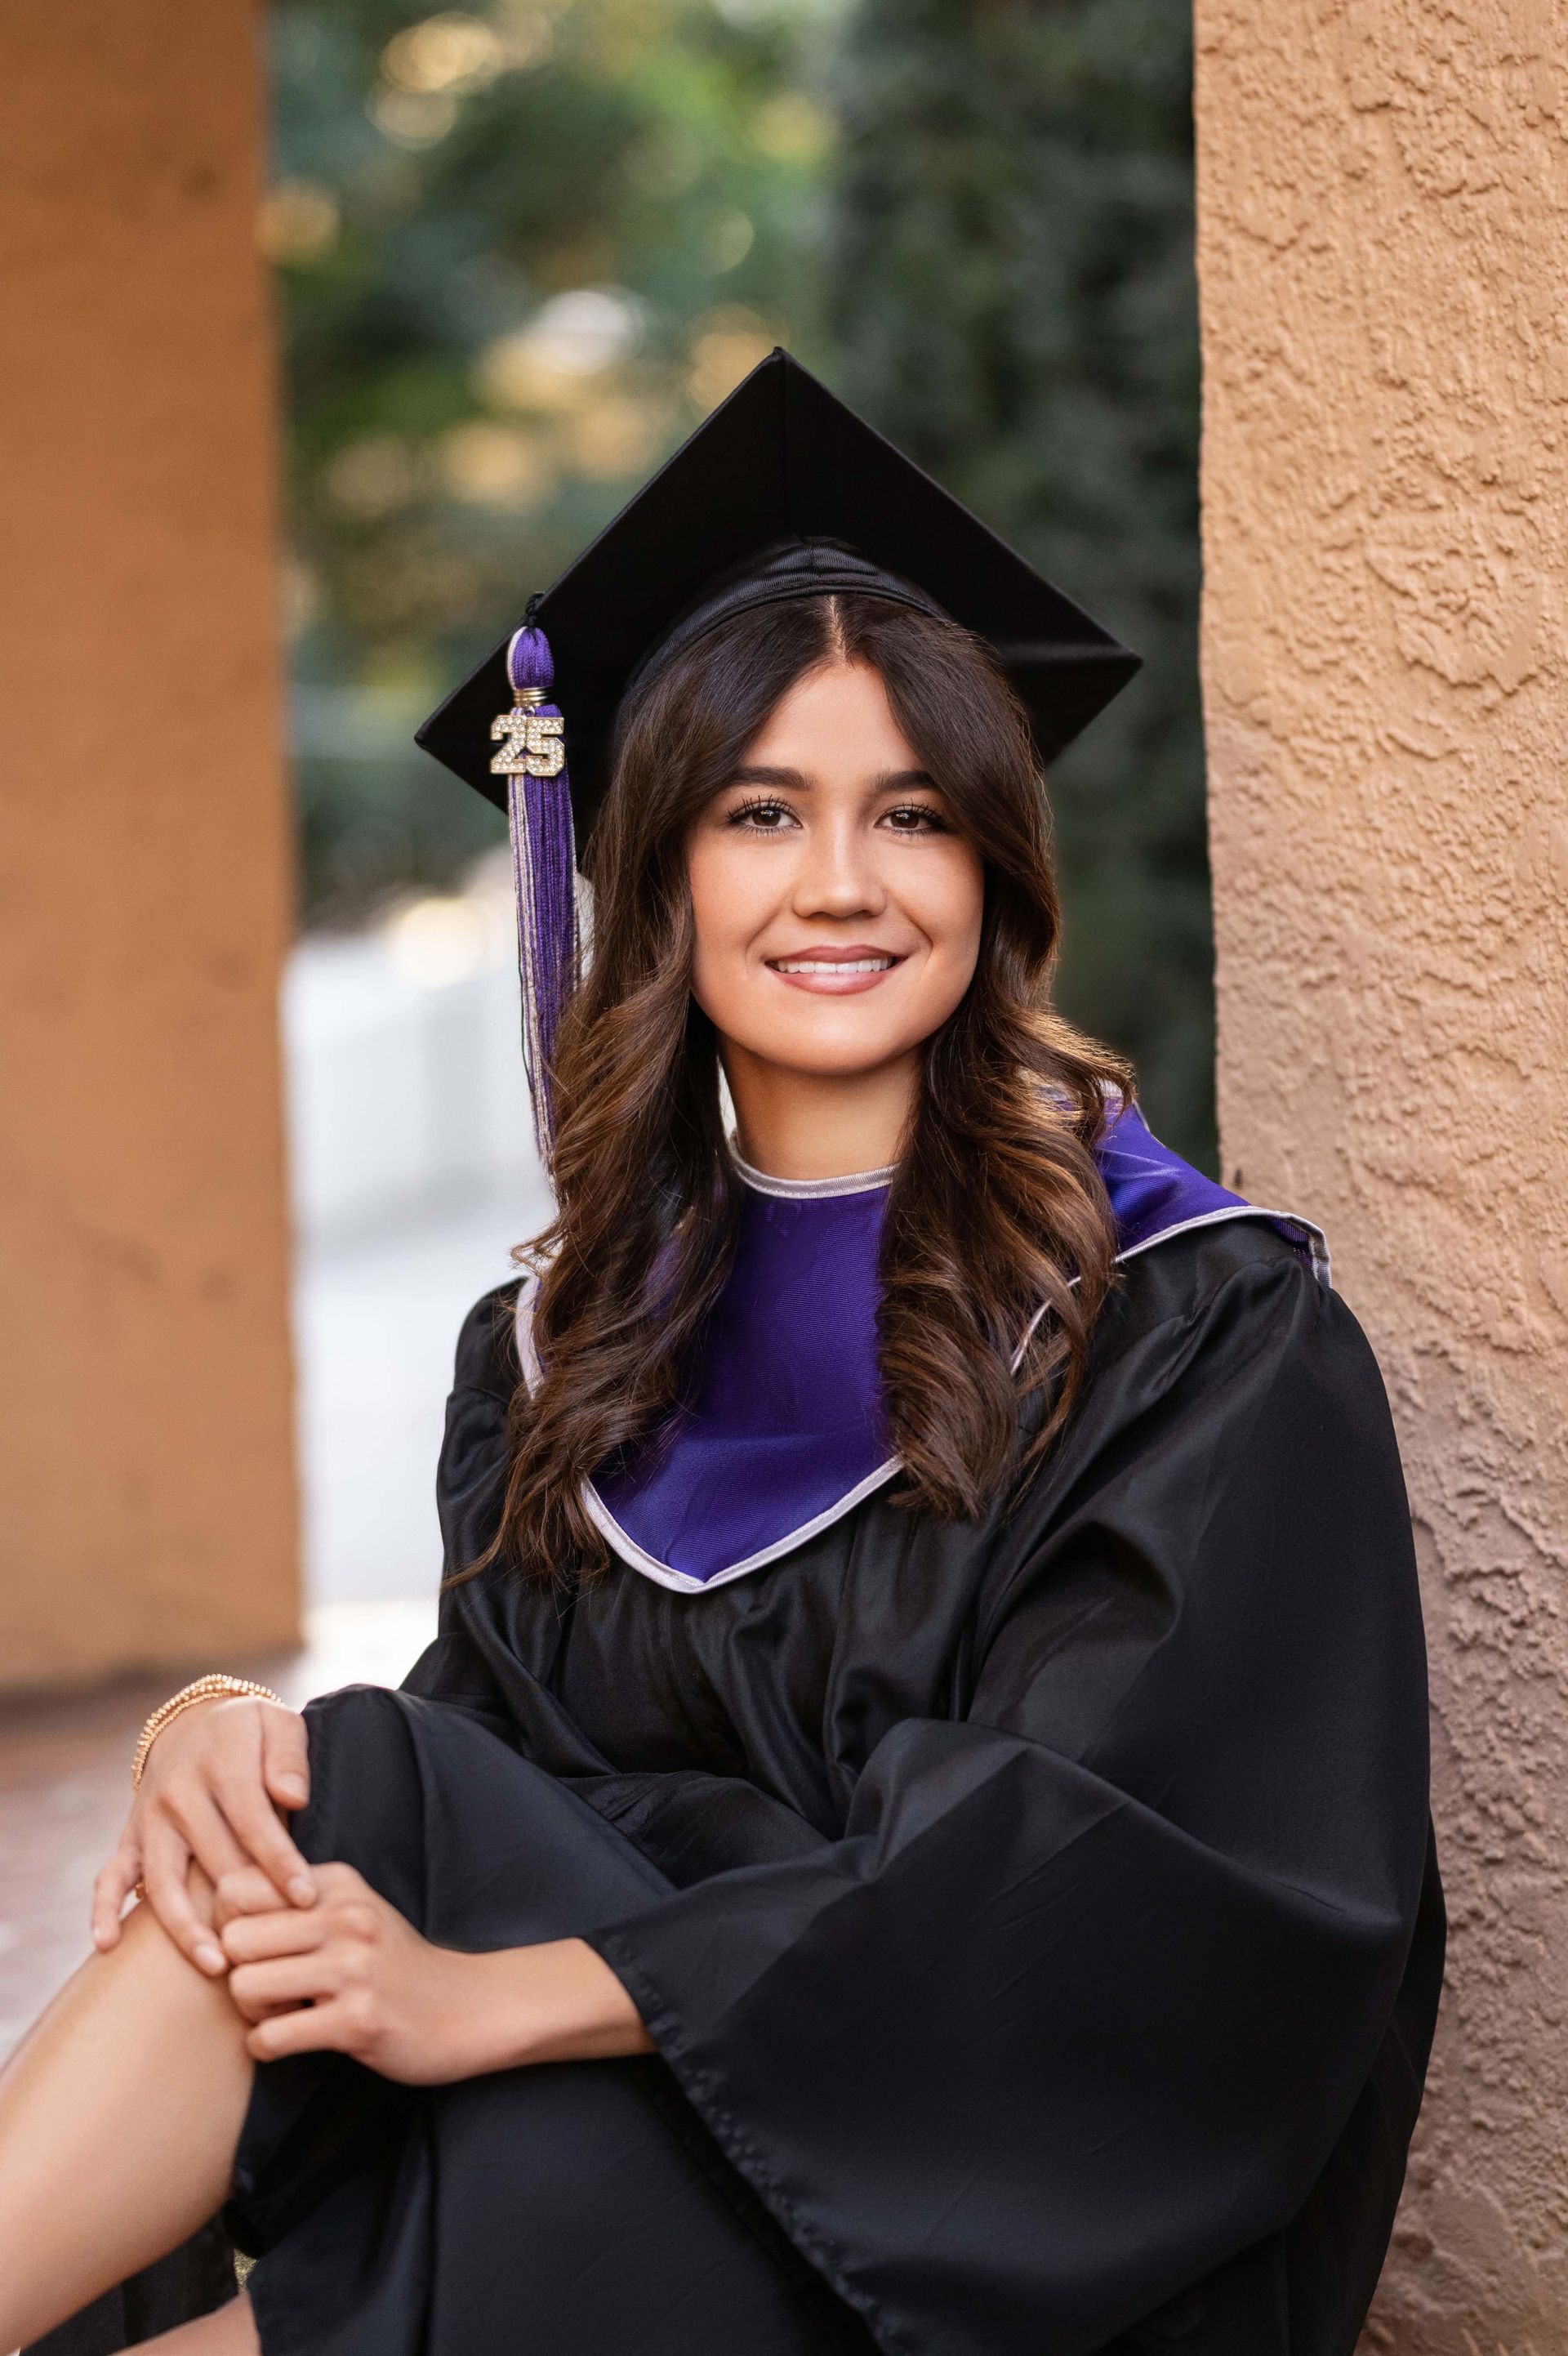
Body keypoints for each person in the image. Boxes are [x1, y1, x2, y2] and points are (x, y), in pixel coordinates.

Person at [0, 353, 1442, 2356]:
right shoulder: (565, 1343)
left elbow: (1109, 1899)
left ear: (992, 868)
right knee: (307, 1802)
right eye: (765, 809)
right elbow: (469, 1772)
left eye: (911, 813)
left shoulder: (1193, 1326)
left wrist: (527, 1991)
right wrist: (218, 1734)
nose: (841, 882)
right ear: (653, 864)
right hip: (604, 2142)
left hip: (958, 2228)